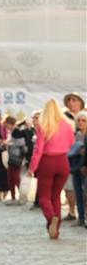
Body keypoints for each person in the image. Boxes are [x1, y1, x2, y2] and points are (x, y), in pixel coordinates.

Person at [29, 99, 75, 239]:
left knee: (44, 197)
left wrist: (32, 167)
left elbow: (38, 150)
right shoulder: (67, 125)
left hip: (47, 162)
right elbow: (72, 143)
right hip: (63, 161)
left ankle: (51, 219)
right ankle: (56, 230)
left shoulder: (44, 126)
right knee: (56, 196)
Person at [61, 93, 84, 221]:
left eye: (74, 100)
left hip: (83, 153)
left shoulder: (85, 115)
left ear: (80, 102)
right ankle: (71, 211)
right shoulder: (64, 118)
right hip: (68, 153)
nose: (71, 102)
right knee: (69, 184)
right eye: (68, 100)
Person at [68, 111, 87, 226]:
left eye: (83, 120)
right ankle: (80, 218)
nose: (80, 122)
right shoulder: (75, 135)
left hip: (85, 168)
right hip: (75, 167)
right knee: (78, 194)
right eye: (78, 120)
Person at [3, 116, 27, 205]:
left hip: (17, 157)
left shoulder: (17, 131)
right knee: (10, 178)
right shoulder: (13, 131)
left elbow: (21, 143)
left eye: (7, 125)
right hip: (12, 156)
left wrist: (9, 144)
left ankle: (22, 196)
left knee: (15, 178)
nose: (6, 127)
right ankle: (13, 197)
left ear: (10, 123)